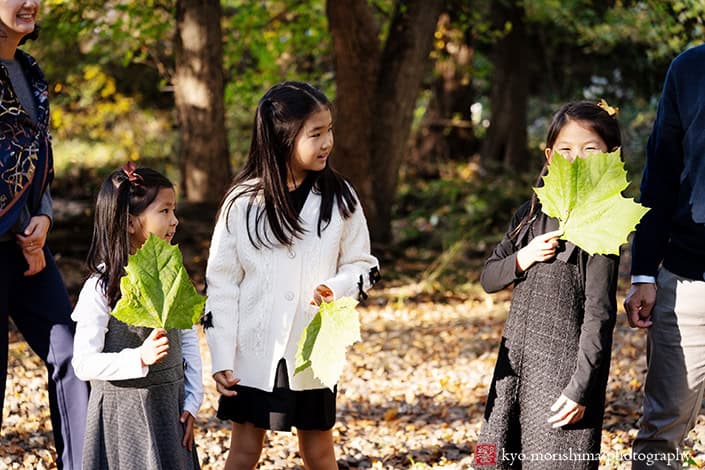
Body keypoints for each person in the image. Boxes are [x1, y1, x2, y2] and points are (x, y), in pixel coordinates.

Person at [205, 81, 380, 469]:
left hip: (312, 349)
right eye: (315, 133)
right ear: (282, 137)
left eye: (329, 130)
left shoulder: (340, 197)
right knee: (245, 450)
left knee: (318, 451)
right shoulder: (242, 202)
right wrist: (221, 355)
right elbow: (222, 285)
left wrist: (335, 289)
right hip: (253, 349)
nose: (327, 142)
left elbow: (365, 266)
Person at [474, 101, 620, 469]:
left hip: (562, 377)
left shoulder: (603, 225)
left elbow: (600, 314)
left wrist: (581, 388)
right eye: (567, 150)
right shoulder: (530, 214)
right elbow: (489, 278)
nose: (577, 159)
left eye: (590, 150)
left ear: (610, 156)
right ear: (550, 156)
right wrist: (523, 257)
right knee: (495, 459)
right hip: (516, 374)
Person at [0, 1, 88, 467]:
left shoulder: (30, 71)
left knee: (73, 355)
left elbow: (41, 164)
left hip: (29, 249)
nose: (29, 1)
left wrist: (45, 221)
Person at [71, 164, 203, 469]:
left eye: (174, 210)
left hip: (169, 408)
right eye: (165, 211)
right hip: (123, 414)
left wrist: (192, 401)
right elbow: (83, 363)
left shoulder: (171, 277)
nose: (175, 221)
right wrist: (138, 357)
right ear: (130, 223)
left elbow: (187, 339)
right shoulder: (102, 287)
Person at [625, 44, 705, 470]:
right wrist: (643, 272)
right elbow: (659, 172)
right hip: (689, 278)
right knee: (661, 435)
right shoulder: (688, 69)